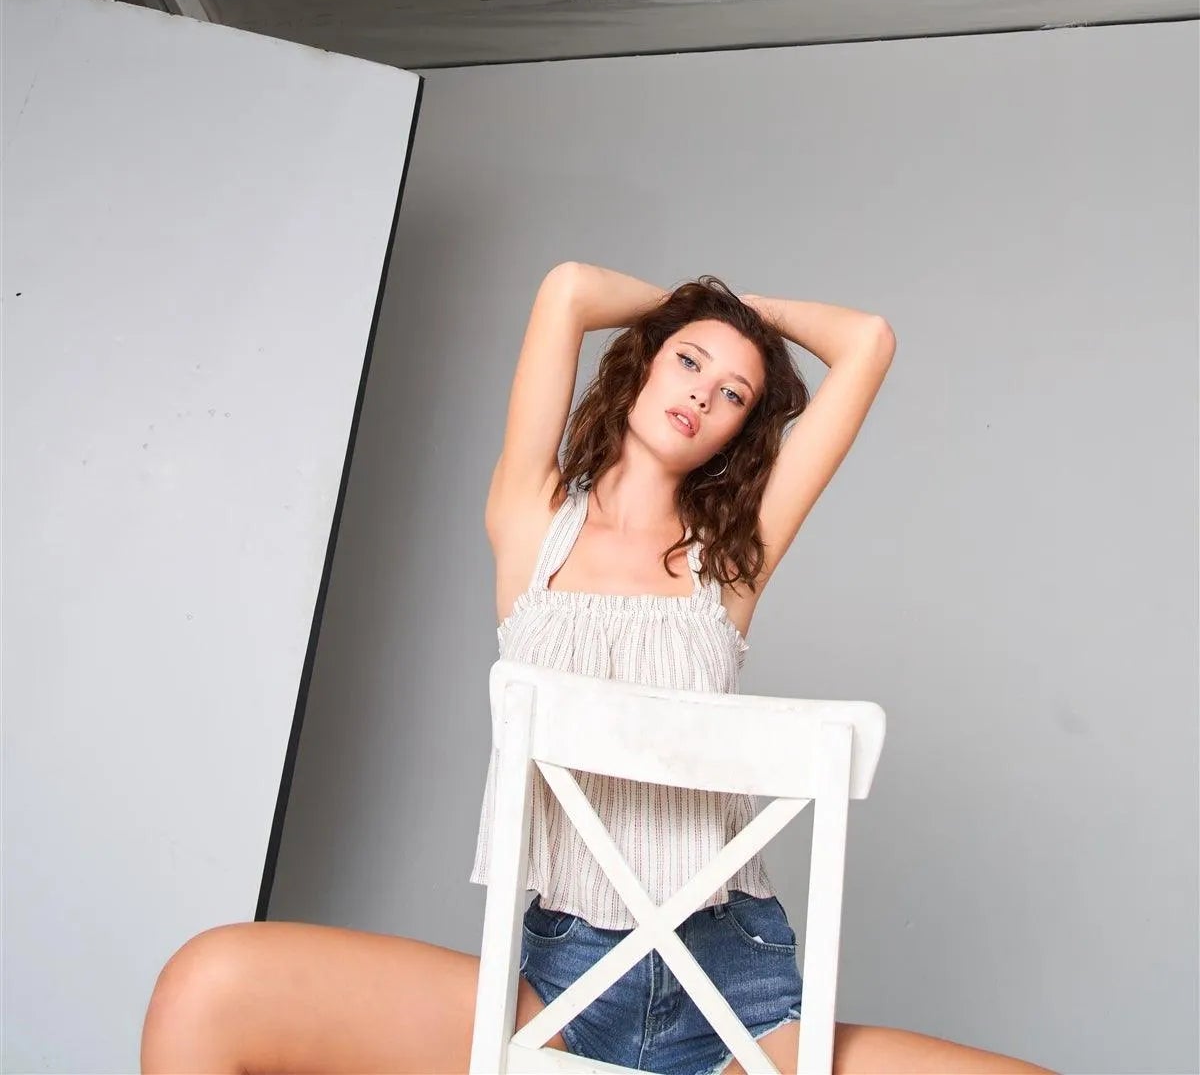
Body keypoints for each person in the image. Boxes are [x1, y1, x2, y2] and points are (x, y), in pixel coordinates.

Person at [142, 262, 1056, 1075]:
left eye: (734, 395)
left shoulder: (731, 559)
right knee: (209, 987)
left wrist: (737, 310)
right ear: (644, 362)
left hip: (735, 991)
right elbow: (570, 290)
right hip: (563, 982)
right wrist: (693, 303)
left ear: (739, 433)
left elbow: (867, 342)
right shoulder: (531, 523)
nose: (702, 394)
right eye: (688, 361)